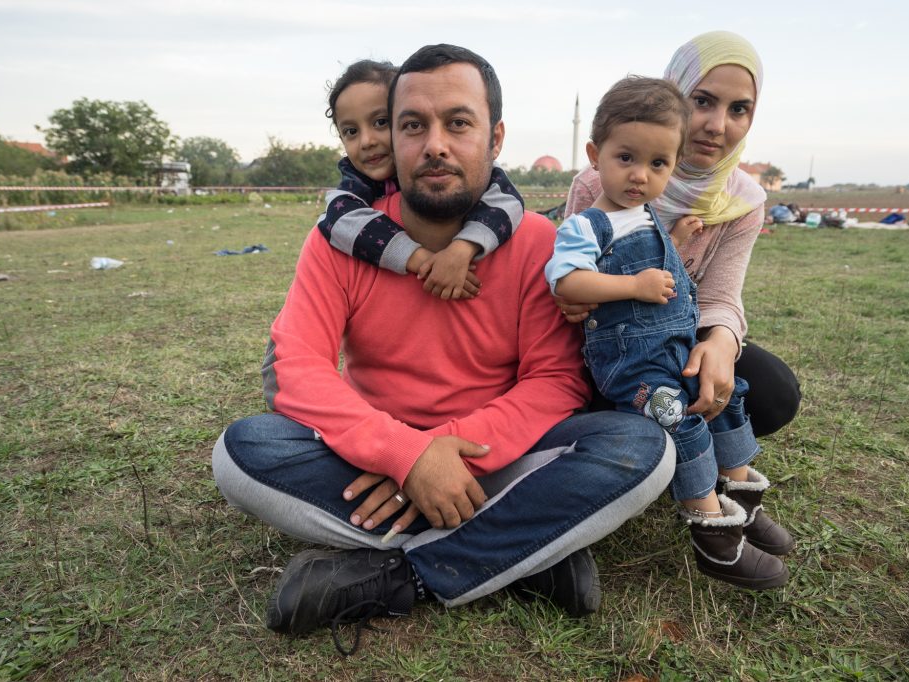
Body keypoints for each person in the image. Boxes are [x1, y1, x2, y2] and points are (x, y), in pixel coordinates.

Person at [211, 44, 675, 655]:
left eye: (458, 123)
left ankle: (401, 577)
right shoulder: (338, 240)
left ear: (495, 137)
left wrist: (446, 461)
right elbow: (299, 369)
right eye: (412, 125)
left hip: (497, 458)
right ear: (394, 140)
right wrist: (408, 456)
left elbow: (555, 380)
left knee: (643, 447)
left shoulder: (537, 240)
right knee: (242, 450)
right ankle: (525, 553)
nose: (435, 144)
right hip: (370, 456)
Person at [562, 31, 800, 564]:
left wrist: (720, 341)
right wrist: (575, 297)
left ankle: (732, 488)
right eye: (703, 101)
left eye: (739, 109)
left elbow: (721, 294)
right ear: (675, 96)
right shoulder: (594, 185)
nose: (718, 125)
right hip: (611, 345)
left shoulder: (742, 200)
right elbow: (571, 276)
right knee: (616, 400)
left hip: (680, 334)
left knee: (765, 389)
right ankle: (665, 477)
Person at [318, 59, 525, 300]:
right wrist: (422, 259)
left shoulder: (460, 173)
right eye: (351, 131)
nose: (367, 141)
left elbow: (508, 201)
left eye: (381, 123)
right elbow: (339, 219)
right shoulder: (356, 183)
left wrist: (462, 249)